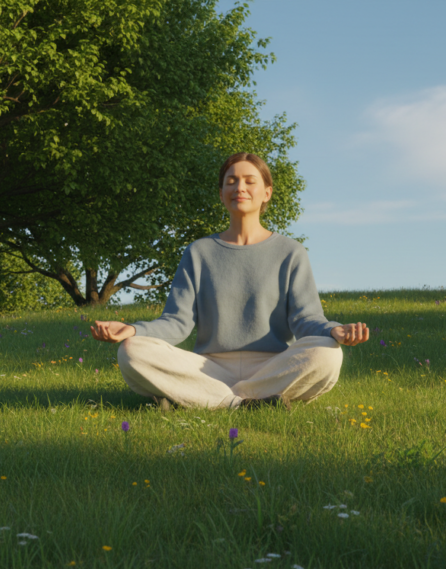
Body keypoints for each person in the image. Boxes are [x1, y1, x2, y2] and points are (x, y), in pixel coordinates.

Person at [91, 152, 370, 409]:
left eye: (250, 181)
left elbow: (305, 319)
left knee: (328, 354)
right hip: (208, 368)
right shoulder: (199, 252)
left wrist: (333, 330)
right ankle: (243, 402)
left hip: (272, 367)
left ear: (267, 192)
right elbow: (176, 323)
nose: (240, 188)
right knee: (131, 351)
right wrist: (133, 330)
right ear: (221, 193)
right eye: (231, 181)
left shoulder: (290, 252)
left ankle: (206, 397)